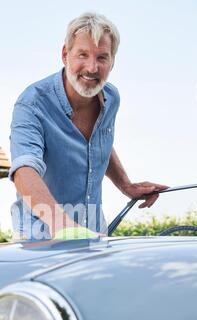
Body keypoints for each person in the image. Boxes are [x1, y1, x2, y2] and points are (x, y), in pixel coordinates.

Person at [9, 12, 168, 241]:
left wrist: (126, 185)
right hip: (40, 237)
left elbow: (99, 142)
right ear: (65, 54)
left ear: (112, 61)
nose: (92, 68)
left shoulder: (111, 98)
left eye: (102, 58)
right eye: (83, 55)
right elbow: (24, 169)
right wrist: (62, 225)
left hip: (93, 232)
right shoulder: (33, 102)